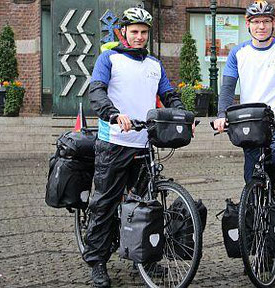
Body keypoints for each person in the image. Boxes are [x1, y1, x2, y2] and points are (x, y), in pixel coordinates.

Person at [83, 7, 187, 287]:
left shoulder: (154, 64)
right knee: (105, 203)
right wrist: (112, 113)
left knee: (146, 206)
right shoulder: (110, 58)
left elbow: (168, 93)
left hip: (144, 142)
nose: (140, 37)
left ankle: (145, 259)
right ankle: (97, 262)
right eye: (135, 32)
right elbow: (97, 90)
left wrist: (181, 112)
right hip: (114, 141)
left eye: (144, 32)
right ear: (124, 32)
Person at [213, 0, 275, 206]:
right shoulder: (238, 53)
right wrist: (222, 115)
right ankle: (256, 221)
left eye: (266, 21)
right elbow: (228, 87)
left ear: (273, 24)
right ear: (248, 24)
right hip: (252, 123)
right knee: (251, 176)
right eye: (256, 21)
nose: (261, 26)